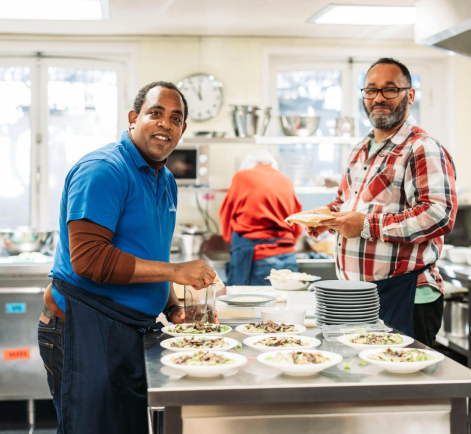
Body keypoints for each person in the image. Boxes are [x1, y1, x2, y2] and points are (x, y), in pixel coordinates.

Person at [37, 81, 217, 434]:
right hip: (84, 330)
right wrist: (176, 271)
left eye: (176, 118)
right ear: (134, 119)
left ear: (182, 130)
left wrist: (170, 305)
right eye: (156, 113)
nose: (166, 123)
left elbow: (148, 255)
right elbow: (90, 260)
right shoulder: (103, 170)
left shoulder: (164, 180)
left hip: (127, 333)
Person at [308, 58, 457, 346]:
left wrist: (366, 226)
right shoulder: (361, 148)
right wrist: (327, 217)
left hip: (405, 294)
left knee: (400, 386)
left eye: (390, 90)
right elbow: (346, 202)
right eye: (371, 90)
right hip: (357, 295)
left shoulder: (422, 147)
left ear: (410, 95)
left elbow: (440, 214)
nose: (379, 98)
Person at [219, 149, 303, 285]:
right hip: (288, 256)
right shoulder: (286, 180)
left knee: (249, 305)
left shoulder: (242, 176)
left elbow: (226, 214)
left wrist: (234, 243)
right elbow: (297, 223)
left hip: (255, 257)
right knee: (285, 304)